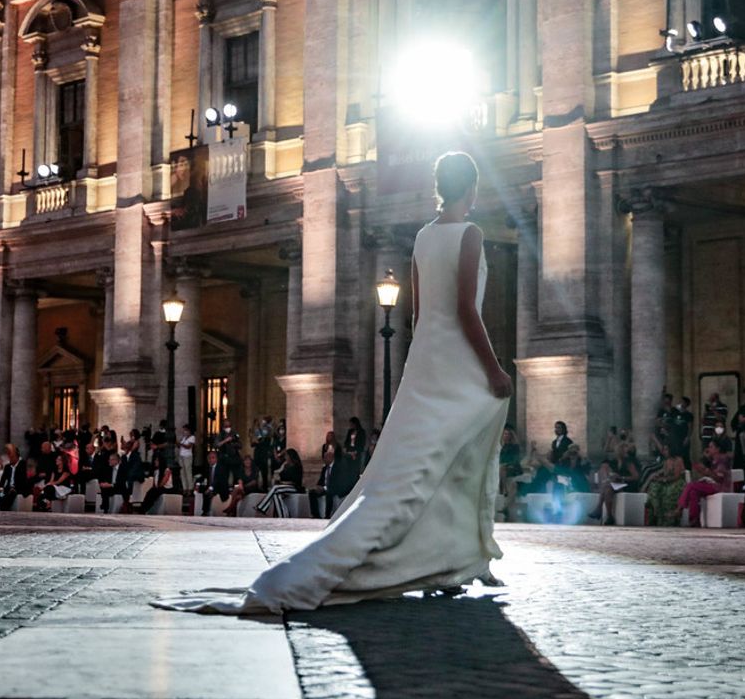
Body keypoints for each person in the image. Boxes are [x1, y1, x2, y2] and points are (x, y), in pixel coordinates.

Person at [156, 152, 513, 613]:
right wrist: (493, 368)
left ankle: (459, 560)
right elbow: (467, 309)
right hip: (460, 361)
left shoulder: (423, 237)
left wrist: (421, 366)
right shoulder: (471, 233)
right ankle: (456, 558)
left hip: (427, 358)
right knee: (460, 456)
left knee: (416, 465)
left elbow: (420, 315)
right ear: (473, 188)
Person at [678, 439, 732, 527]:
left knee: (691, 485)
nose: (708, 449)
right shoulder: (712, 460)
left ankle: (679, 509)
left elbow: (719, 478)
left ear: (717, 449)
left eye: (711, 447)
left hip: (719, 487)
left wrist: (707, 472)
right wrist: (704, 460)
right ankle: (694, 520)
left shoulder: (722, 460)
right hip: (712, 484)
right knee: (693, 493)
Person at [641, 453, 687, 527]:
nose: (664, 451)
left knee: (669, 492)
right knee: (654, 487)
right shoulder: (666, 461)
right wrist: (658, 478)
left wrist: (663, 480)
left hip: (677, 482)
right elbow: (665, 474)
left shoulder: (678, 460)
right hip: (667, 482)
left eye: (666, 449)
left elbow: (676, 476)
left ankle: (669, 518)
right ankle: (656, 512)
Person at [256, 448, 305, 517]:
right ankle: (283, 515)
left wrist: (284, 483)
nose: (285, 457)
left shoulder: (297, 466)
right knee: (276, 495)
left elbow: (295, 481)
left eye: (287, 456)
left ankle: (262, 507)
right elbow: (278, 474)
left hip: (294, 487)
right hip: (283, 486)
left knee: (275, 488)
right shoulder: (285, 466)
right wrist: (282, 467)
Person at [196, 450, 232, 517]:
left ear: (216, 459)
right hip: (211, 486)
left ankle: (205, 511)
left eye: (212, 458)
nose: (210, 460)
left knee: (209, 492)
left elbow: (217, 480)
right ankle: (204, 510)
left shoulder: (221, 468)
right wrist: (197, 484)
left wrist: (210, 488)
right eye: (209, 458)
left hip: (220, 487)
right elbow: (202, 476)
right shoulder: (207, 467)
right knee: (203, 489)